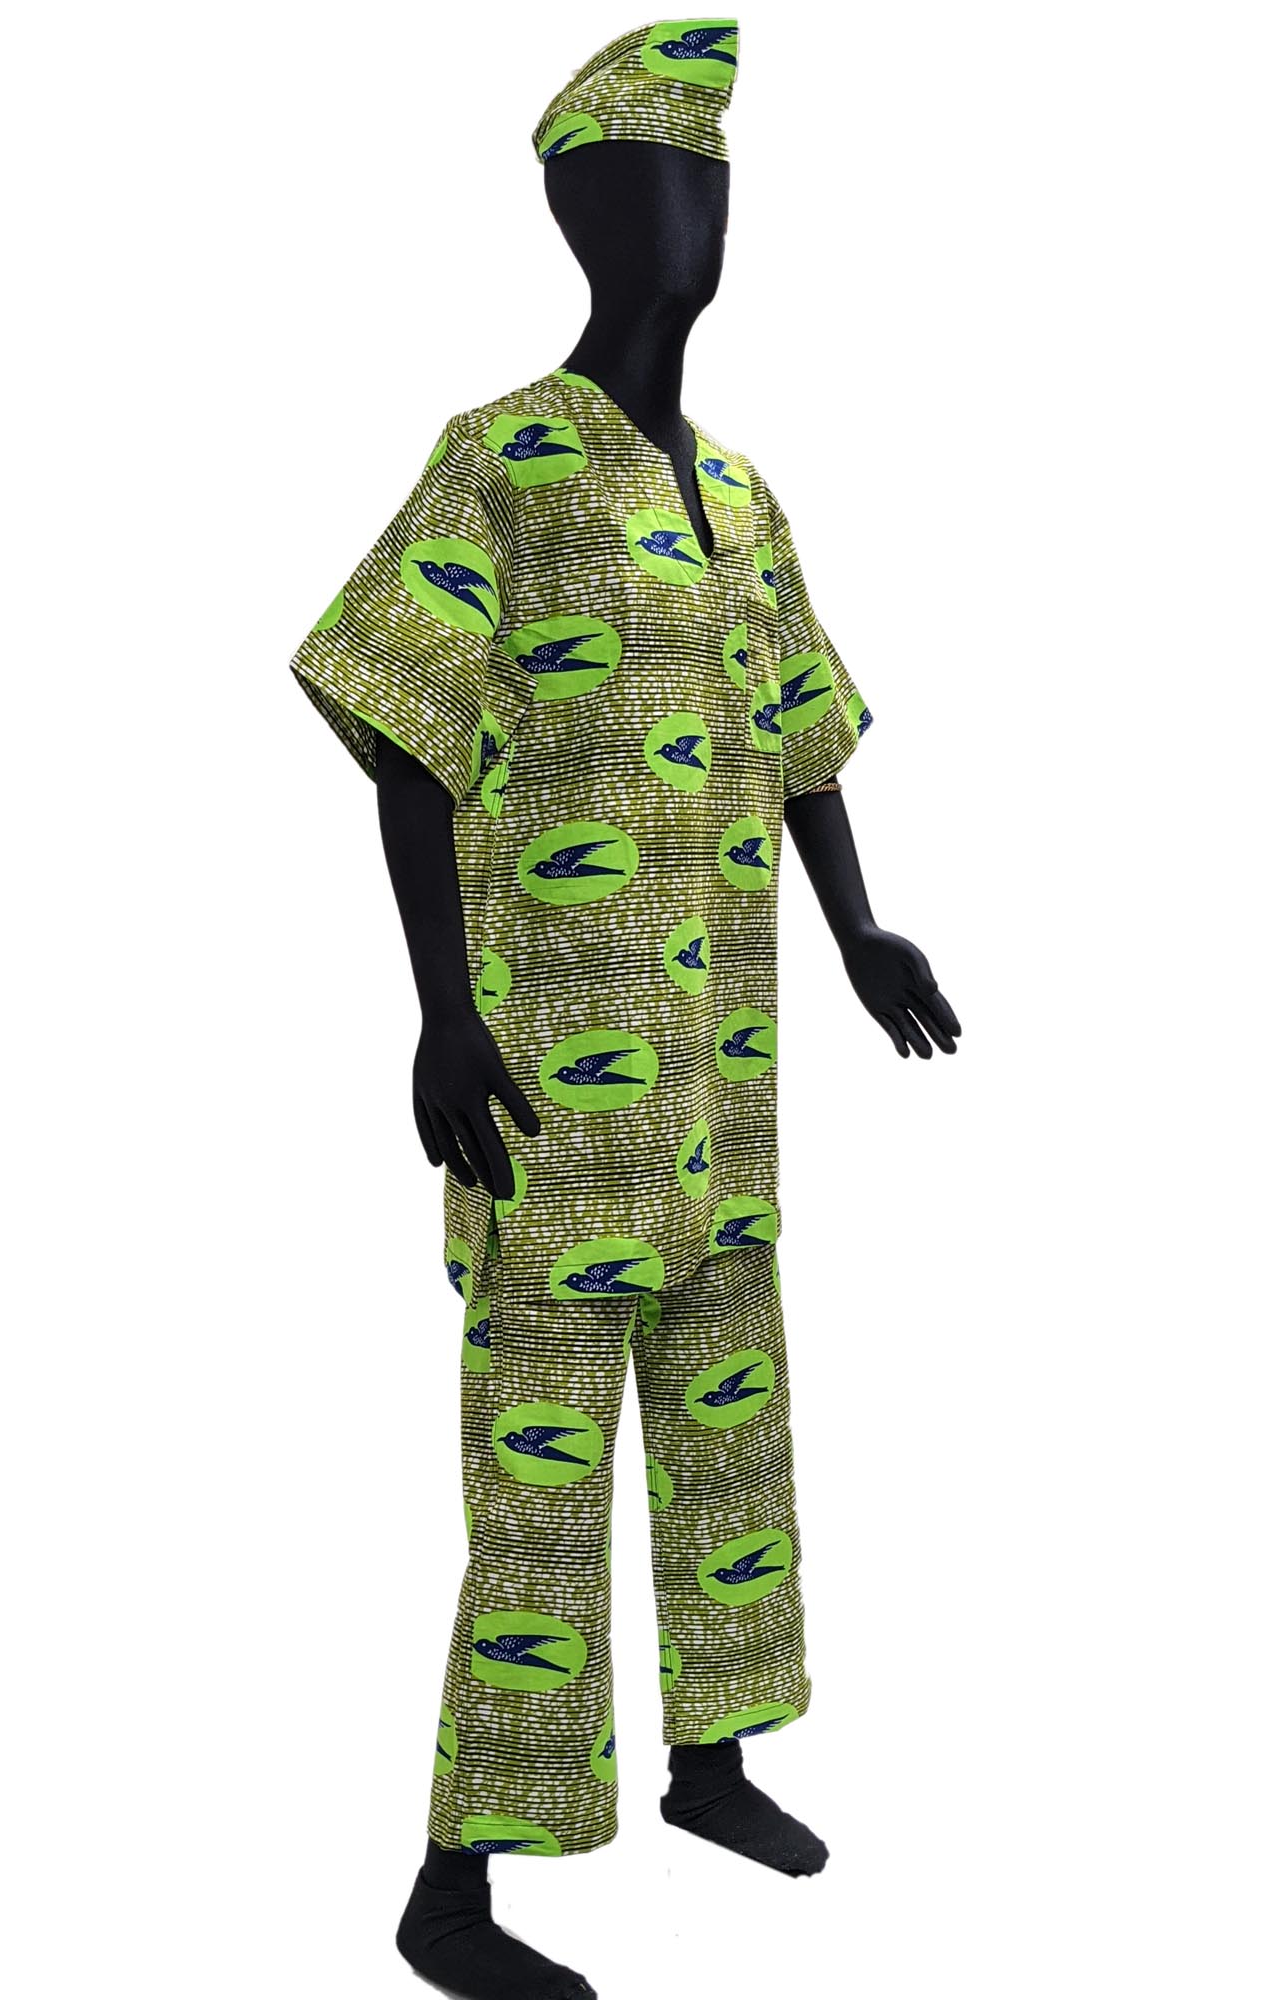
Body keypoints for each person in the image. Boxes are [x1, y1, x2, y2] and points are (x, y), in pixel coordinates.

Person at [289, 23, 960, 1999]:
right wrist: (438, 1015)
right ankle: (451, 1887)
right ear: (583, 210)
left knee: (731, 1433)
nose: (699, 218)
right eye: (663, 181)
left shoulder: (743, 493)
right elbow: (405, 739)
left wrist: (862, 930)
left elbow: (798, 732)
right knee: (540, 1485)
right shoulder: (500, 459)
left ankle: (711, 1762)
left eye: (716, 183)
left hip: (723, 1076)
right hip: (553, 1081)